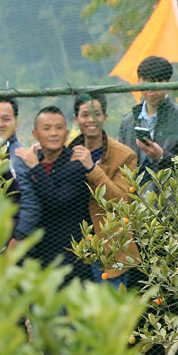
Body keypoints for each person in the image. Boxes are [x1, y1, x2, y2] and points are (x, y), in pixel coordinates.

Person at [68, 92, 140, 288]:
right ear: (76, 119)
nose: (91, 120)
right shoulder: (67, 152)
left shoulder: (124, 156)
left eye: (97, 114)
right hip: (75, 250)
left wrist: (92, 168)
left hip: (110, 251)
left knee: (110, 314)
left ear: (105, 118)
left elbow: (122, 202)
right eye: (84, 115)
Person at [15, 106, 92, 285]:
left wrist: (35, 167)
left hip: (70, 258)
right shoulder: (36, 160)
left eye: (59, 128)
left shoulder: (75, 164)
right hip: (38, 256)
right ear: (35, 134)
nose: (53, 133)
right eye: (47, 128)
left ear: (66, 133)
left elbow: (56, 200)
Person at [118, 56, 178, 178]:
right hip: (134, 193)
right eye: (146, 83)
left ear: (169, 82)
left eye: (157, 83)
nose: (151, 91)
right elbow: (121, 163)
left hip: (172, 194)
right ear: (138, 82)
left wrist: (162, 156)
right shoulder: (128, 122)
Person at [0, 96, 41, 248]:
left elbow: (30, 206)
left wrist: (14, 243)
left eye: (6, 119)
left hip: (12, 245)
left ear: (16, 123)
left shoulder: (21, 157)